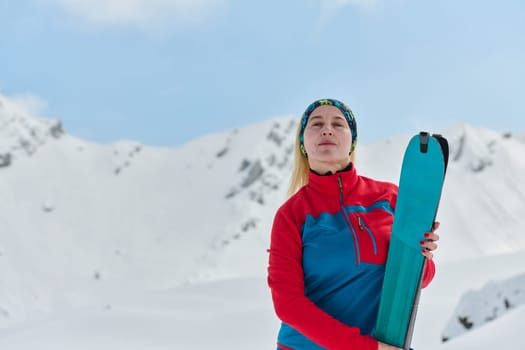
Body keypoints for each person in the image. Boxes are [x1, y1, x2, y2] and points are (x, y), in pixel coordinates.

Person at [267, 98, 440, 350]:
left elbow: (415, 281)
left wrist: (421, 256)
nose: (327, 129)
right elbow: (288, 304)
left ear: (353, 140)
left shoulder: (390, 198)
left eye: (338, 124)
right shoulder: (292, 215)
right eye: (316, 124)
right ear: (303, 143)